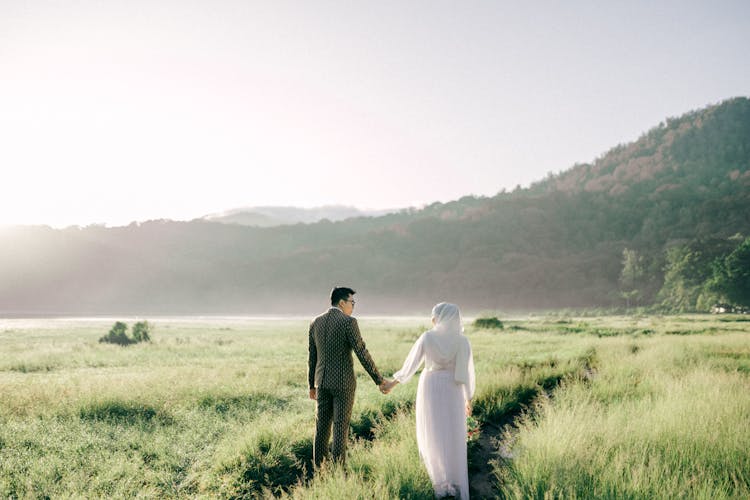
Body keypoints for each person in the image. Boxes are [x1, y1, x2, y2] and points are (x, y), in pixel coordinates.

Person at [381, 302, 476, 499]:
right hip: (454, 388)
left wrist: (392, 383)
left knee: (433, 431)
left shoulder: (428, 337)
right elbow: (465, 373)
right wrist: (467, 398)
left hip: (431, 385)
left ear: (438, 317)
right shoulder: (462, 341)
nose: (432, 319)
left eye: (434, 316)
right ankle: (454, 480)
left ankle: (439, 481)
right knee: (453, 432)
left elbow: (411, 365)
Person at [308, 286, 390, 468]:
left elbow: (312, 357)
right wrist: (379, 380)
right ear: (342, 302)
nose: (353, 307)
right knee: (340, 428)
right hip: (343, 384)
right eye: (352, 303)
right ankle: (338, 472)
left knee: (321, 429)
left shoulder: (315, 322)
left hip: (321, 383)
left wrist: (311, 386)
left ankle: (319, 471)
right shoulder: (348, 322)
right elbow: (361, 352)